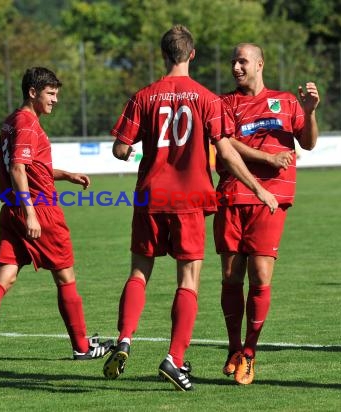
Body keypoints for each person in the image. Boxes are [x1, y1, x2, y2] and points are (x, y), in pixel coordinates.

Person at [102, 25, 278, 391]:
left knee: (139, 273)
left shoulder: (143, 96)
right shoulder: (207, 99)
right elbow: (226, 151)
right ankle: (174, 359)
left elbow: (120, 149)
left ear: (163, 54)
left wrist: (134, 149)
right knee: (188, 280)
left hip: (150, 196)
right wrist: (258, 187)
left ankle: (124, 340)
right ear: (192, 55)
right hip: (189, 200)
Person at [0, 66, 113, 366]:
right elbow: (17, 168)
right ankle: (82, 346)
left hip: (12, 208)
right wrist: (31, 214)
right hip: (38, 209)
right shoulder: (28, 123)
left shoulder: (12, 121)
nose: (55, 100)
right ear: (32, 92)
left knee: (5, 274)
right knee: (65, 276)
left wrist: (65, 174)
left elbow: (29, 166)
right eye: (50, 94)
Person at [214, 43, 320, 385]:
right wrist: (268, 159)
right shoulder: (225, 103)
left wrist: (311, 110)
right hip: (232, 196)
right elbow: (226, 143)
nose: (236, 67)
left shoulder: (287, 101)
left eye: (242, 61)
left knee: (260, 275)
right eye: (233, 62)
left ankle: (249, 352)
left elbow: (308, 142)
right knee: (231, 276)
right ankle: (233, 347)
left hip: (271, 199)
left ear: (260, 64)